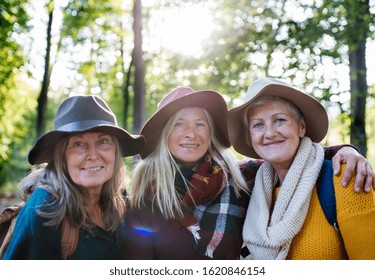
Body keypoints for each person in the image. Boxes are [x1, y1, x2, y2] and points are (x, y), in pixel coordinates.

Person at [124, 86, 371, 260]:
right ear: (164, 135)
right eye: (179, 124)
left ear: (210, 133)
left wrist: (347, 151)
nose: (191, 132)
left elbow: (296, 159)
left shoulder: (239, 179)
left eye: (200, 123)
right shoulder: (142, 199)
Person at [228, 77, 375, 259]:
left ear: (301, 127)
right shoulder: (249, 189)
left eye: (280, 120)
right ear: (250, 136)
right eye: (258, 125)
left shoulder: (345, 176)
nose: (270, 133)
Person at [1, 95, 145, 260]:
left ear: (116, 152)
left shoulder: (121, 200)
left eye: (103, 141)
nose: (93, 155)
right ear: (62, 157)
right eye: (78, 144)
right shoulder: (45, 207)